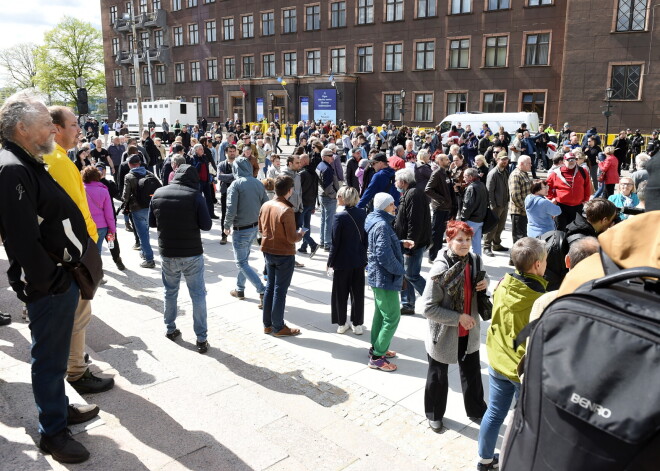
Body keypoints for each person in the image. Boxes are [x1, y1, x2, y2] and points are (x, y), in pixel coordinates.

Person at [0, 91, 99, 463]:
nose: (54, 132)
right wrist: (52, 280)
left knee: (55, 356)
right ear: (23, 128)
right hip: (51, 284)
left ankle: (59, 408)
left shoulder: (27, 160)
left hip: (60, 278)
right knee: (48, 358)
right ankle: (53, 433)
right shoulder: (12, 169)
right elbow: (22, 239)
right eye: (46, 124)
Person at [44, 106, 115, 396]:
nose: (79, 130)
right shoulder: (59, 161)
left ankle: (74, 362)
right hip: (74, 251)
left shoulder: (50, 157)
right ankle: (77, 371)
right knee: (79, 312)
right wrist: (88, 246)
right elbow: (76, 209)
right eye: (74, 125)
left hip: (59, 250)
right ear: (56, 128)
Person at [477, 238, 548, 470]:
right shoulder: (540, 299)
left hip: (497, 360)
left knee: (494, 413)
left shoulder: (503, 282)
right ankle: (516, 460)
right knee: (522, 420)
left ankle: (484, 460)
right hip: (520, 370)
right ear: (537, 265)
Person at [422, 221, 489, 433]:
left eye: (468, 239)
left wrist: (485, 281)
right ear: (449, 240)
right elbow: (428, 308)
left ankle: (477, 410)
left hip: (469, 330)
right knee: (438, 377)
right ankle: (434, 414)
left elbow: (482, 276)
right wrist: (458, 317)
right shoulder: (440, 269)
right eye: (459, 240)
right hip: (445, 333)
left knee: (472, 373)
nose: (465, 244)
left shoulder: (475, 260)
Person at [149, 164, 212, 354]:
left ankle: (170, 328)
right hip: (191, 252)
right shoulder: (195, 196)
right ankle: (201, 338)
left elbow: (152, 222)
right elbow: (207, 225)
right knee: (198, 295)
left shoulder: (158, 193)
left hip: (167, 252)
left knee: (170, 292)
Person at [365, 193, 414, 372]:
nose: (395, 207)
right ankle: (377, 357)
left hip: (379, 277)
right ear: (384, 206)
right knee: (392, 317)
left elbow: (384, 246)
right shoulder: (382, 225)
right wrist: (400, 271)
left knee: (381, 314)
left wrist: (400, 244)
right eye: (392, 204)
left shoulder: (377, 221)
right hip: (385, 278)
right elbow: (383, 255)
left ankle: (377, 348)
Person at [259, 175, 305, 337]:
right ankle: (278, 326)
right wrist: (300, 235)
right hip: (283, 253)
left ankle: (267, 324)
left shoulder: (266, 205)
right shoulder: (286, 210)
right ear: (290, 190)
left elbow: (260, 227)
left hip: (268, 250)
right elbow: (292, 238)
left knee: (270, 287)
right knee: (279, 290)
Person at [224, 156, 268, 305]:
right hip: (254, 227)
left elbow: (231, 208)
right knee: (244, 261)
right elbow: (266, 205)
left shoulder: (236, 185)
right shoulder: (258, 183)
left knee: (241, 262)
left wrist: (226, 225)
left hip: (241, 228)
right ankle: (240, 288)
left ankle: (262, 290)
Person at [328, 187, 368, 334]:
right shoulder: (362, 213)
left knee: (340, 293)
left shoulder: (339, 217)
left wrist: (329, 262)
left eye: (339, 195)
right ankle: (357, 324)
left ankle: (341, 322)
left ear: (344, 198)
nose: (337, 197)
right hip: (358, 259)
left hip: (342, 261)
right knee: (357, 293)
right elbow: (365, 238)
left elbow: (335, 242)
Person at [394, 168, 431, 315]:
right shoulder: (409, 192)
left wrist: (410, 245)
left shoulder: (414, 194)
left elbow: (414, 223)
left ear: (403, 182)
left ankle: (434, 299)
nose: (395, 183)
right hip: (409, 242)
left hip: (414, 243)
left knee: (411, 275)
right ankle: (408, 304)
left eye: (397, 181)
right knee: (406, 274)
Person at [122, 154, 156, 268]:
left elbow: (125, 196)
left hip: (137, 208)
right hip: (150, 207)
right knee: (145, 231)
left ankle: (149, 259)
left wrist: (124, 206)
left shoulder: (129, 176)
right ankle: (144, 252)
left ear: (129, 164)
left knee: (142, 234)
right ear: (139, 163)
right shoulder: (149, 173)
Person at [546, 153, 592, 231]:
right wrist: (552, 198)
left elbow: (587, 186)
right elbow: (546, 187)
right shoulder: (556, 173)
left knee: (575, 229)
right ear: (564, 161)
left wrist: (586, 200)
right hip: (561, 207)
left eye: (573, 159)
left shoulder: (583, 171)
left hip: (578, 206)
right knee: (561, 229)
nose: (571, 161)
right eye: (569, 160)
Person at [425, 153, 453, 262]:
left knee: (441, 233)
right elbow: (428, 189)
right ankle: (432, 256)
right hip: (440, 208)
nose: (448, 161)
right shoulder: (436, 173)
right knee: (436, 232)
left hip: (446, 207)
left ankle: (438, 254)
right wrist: (441, 199)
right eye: (446, 160)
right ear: (440, 161)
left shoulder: (445, 172)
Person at [82, 167, 116, 256]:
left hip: (85, 224)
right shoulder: (104, 191)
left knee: (85, 252)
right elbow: (109, 213)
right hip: (101, 226)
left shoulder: (80, 190)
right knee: (97, 250)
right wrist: (112, 229)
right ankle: (96, 268)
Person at [483, 152, 510, 257]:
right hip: (495, 205)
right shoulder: (493, 173)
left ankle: (497, 244)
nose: (505, 161)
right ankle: (486, 246)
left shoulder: (505, 172)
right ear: (497, 160)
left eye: (506, 159)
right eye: (502, 159)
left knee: (501, 226)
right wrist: (492, 205)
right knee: (492, 227)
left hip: (504, 203)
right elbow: (489, 191)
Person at [459, 168, 488, 256]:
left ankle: (468, 264)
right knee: (477, 245)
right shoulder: (482, 184)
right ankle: (478, 264)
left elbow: (468, 206)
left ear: (470, 177)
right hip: (480, 219)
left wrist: (463, 219)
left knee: (464, 243)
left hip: (472, 220)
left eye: (465, 177)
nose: (464, 179)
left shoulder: (471, 187)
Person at [316, 148, 339, 251]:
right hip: (328, 197)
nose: (332, 157)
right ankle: (327, 244)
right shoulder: (327, 169)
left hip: (322, 196)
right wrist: (335, 195)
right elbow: (328, 187)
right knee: (329, 221)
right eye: (330, 155)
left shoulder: (320, 165)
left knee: (324, 219)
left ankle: (322, 241)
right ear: (324, 157)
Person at [298, 154, 320, 256]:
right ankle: (304, 247)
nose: (299, 163)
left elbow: (298, 190)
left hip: (303, 204)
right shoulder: (314, 172)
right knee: (306, 226)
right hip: (310, 203)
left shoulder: (302, 174)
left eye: (300, 161)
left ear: (304, 162)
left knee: (298, 226)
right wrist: (314, 204)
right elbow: (316, 189)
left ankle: (312, 244)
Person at [217, 144, 237, 244]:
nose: (232, 153)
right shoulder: (221, 164)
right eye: (230, 151)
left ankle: (237, 236)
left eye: (233, 151)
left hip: (238, 192)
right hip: (225, 192)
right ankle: (224, 235)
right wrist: (233, 176)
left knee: (238, 214)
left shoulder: (239, 164)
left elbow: (240, 176)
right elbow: (220, 177)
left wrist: (228, 177)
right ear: (226, 152)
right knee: (225, 215)